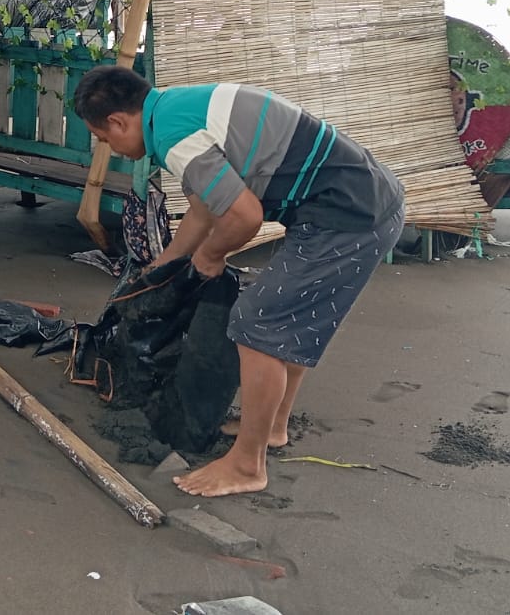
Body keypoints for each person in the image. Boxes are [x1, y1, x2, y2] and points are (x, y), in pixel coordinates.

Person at [72, 65, 405, 497]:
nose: (110, 148)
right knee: (289, 318)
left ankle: (248, 466)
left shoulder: (172, 134)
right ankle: (272, 428)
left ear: (118, 121)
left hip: (350, 216)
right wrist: (166, 264)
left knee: (258, 323)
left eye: (104, 138)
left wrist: (211, 255)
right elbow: (205, 208)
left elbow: (243, 216)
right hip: (359, 204)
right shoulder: (175, 109)